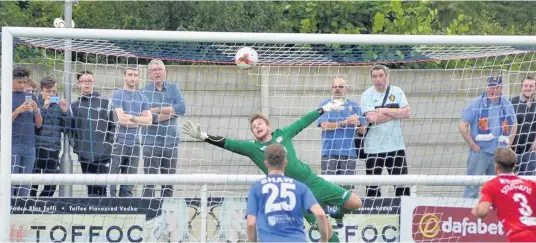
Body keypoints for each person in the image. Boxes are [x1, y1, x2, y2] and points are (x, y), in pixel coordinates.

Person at [183, 100, 362, 242]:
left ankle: (336, 212)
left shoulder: (284, 133)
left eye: (260, 124)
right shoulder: (252, 148)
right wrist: (204, 137)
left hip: (312, 181)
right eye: (253, 127)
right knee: (327, 231)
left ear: (269, 126)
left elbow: (303, 121)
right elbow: (229, 143)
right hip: (294, 193)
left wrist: (324, 109)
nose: (257, 127)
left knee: (356, 203)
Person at [246, 144, 330, 243]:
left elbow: (251, 223)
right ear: (285, 162)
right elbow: (320, 213)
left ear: (266, 163)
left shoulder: (256, 188)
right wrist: (324, 240)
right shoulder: (300, 187)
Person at [459, 75, 517, 198]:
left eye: (496, 87)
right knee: (472, 187)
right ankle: (469, 215)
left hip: (499, 154)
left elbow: (514, 124)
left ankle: (496, 215)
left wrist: (509, 145)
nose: (493, 90)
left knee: (499, 188)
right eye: (490, 86)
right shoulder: (476, 103)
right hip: (480, 152)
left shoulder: (507, 104)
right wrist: (473, 146)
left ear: (501, 88)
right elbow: (462, 125)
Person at [360, 65, 411, 197]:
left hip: (396, 146)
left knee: (402, 185)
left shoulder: (397, 91)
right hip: (373, 148)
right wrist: (395, 112)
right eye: (374, 76)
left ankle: (402, 214)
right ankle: (373, 214)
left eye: (381, 75)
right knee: (372, 187)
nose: (378, 79)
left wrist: (385, 110)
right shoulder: (366, 94)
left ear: (387, 76)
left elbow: (407, 113)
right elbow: (371, 118)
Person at [140, 59, 186, 198]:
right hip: (150, 144)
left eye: (159, 69)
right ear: (149, 74)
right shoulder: (142, 92)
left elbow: (182, 108)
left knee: (168, 184)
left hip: (170, 143)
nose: (157, 72)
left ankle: (166, 215)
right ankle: (148, 215)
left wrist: (159, 109)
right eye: (154, 70)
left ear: (165, 72)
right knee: (149, 184)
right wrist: (171, 114)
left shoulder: (174, 88)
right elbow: (148, 118)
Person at [472, 147, 536, 242]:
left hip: (519, 236)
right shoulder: (530, 184)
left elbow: (482, 212)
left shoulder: (492, 185)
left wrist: (475, 211)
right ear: (514, 166)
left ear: (496, 167)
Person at [70, 70, 115, 197]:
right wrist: (78, 149)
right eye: (83, 81)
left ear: (93, 82)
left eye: (89, 81)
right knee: (91, 190)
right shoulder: (74, 106)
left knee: (102, 188)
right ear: (78, 84)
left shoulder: (106, 102)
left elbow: (114, 125)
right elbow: (70, 131)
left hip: (103, 155)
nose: (86, 84)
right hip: (85, 155)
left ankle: (104, 214)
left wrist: (108, 146)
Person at [109, 66, 152, 197]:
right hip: (118, 143)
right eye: (130, 74)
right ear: (125, 76)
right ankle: (110, 210)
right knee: (112, 181)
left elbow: (149, 121)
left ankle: (126, 212)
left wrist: (132, 117)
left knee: (129, 184)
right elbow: (122, 120)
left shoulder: (142, 97)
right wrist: (140, 120)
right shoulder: (118, 94)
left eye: (135, 75)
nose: (133, 77)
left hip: (135, 144)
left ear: (138, 78)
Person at [318, 78, 366, 189]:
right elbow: (324, 126)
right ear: (331, 89)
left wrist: (357, 123)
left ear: (346, 89)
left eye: (340, 87)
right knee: (328, 188)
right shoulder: (325, 104)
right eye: (335, 87)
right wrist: (344, 122)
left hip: (349, 153)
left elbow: (363, 130)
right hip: (329, 152)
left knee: (346, 190)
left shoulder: (354, 106)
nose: (337, 89)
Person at [30, 77, 71, 197]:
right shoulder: (34, 103)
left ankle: (42, 205)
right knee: (32, 184)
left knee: (51, 185)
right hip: (37, 149)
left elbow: (67, 129)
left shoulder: (59, 106)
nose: (51, 94)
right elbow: (34, 126)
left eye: (54, 91)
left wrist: (65, 112)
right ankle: (31, 206)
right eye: (48, 91)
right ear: (41, 91)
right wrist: (43, 108)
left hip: (53, 149)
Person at [8, 67, 43, 197]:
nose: (22, 85)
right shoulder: (5, 96)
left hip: (30, 146)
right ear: (11, 80)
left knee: (26, 184)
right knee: (9, 183)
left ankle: (23, 211)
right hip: (12, 146)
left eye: (25, 82)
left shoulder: (31, 96)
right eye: (19, 82)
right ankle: (8, 211)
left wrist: (37, 110)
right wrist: (18, 111)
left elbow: (39, 124)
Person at [510, 77, 536, 175]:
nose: (528, 88)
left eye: (531, 86)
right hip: (513, 152)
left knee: (530, 184)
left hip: (531, 153)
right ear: (521, 88)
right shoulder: (512, 103)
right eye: (525, 86)